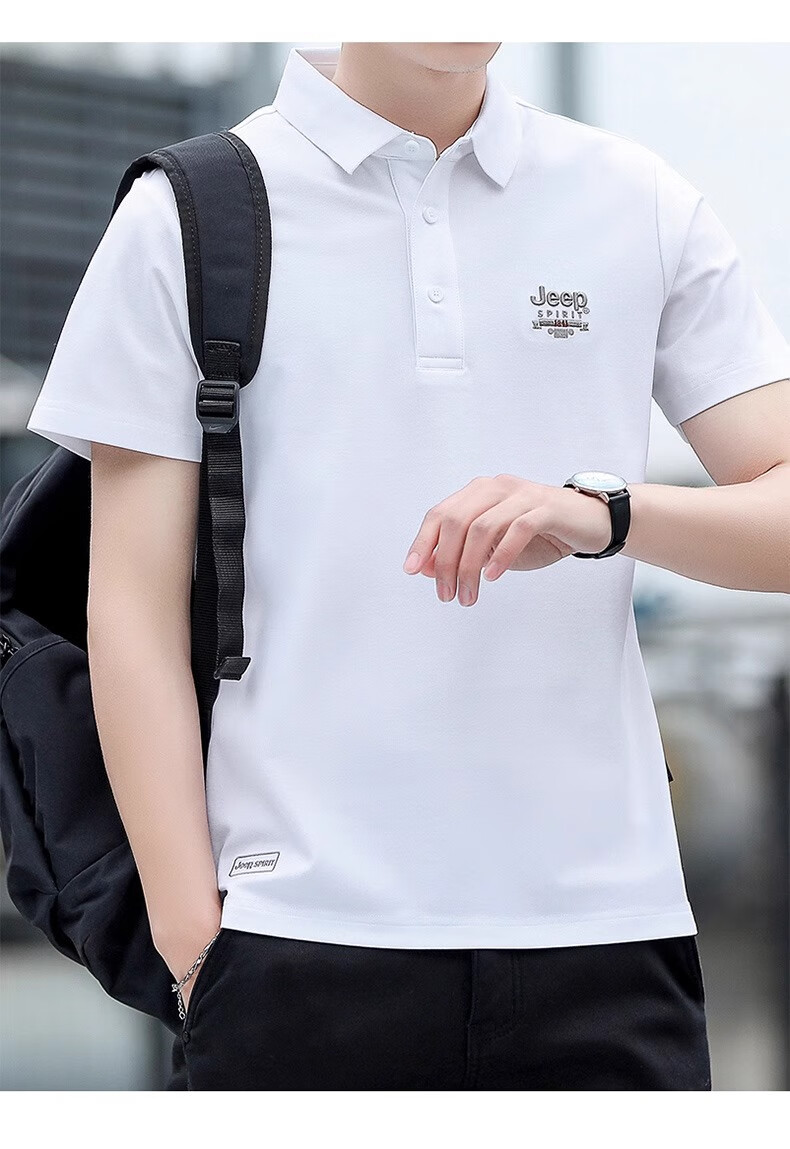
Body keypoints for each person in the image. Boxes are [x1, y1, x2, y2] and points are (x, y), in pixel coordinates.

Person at [26, 42, 790, 1091]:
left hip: (610, 939)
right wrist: (193, 942)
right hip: (295, 938)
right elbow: (129, 610)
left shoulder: (636, 200)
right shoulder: (186, 216)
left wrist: (605, 513)